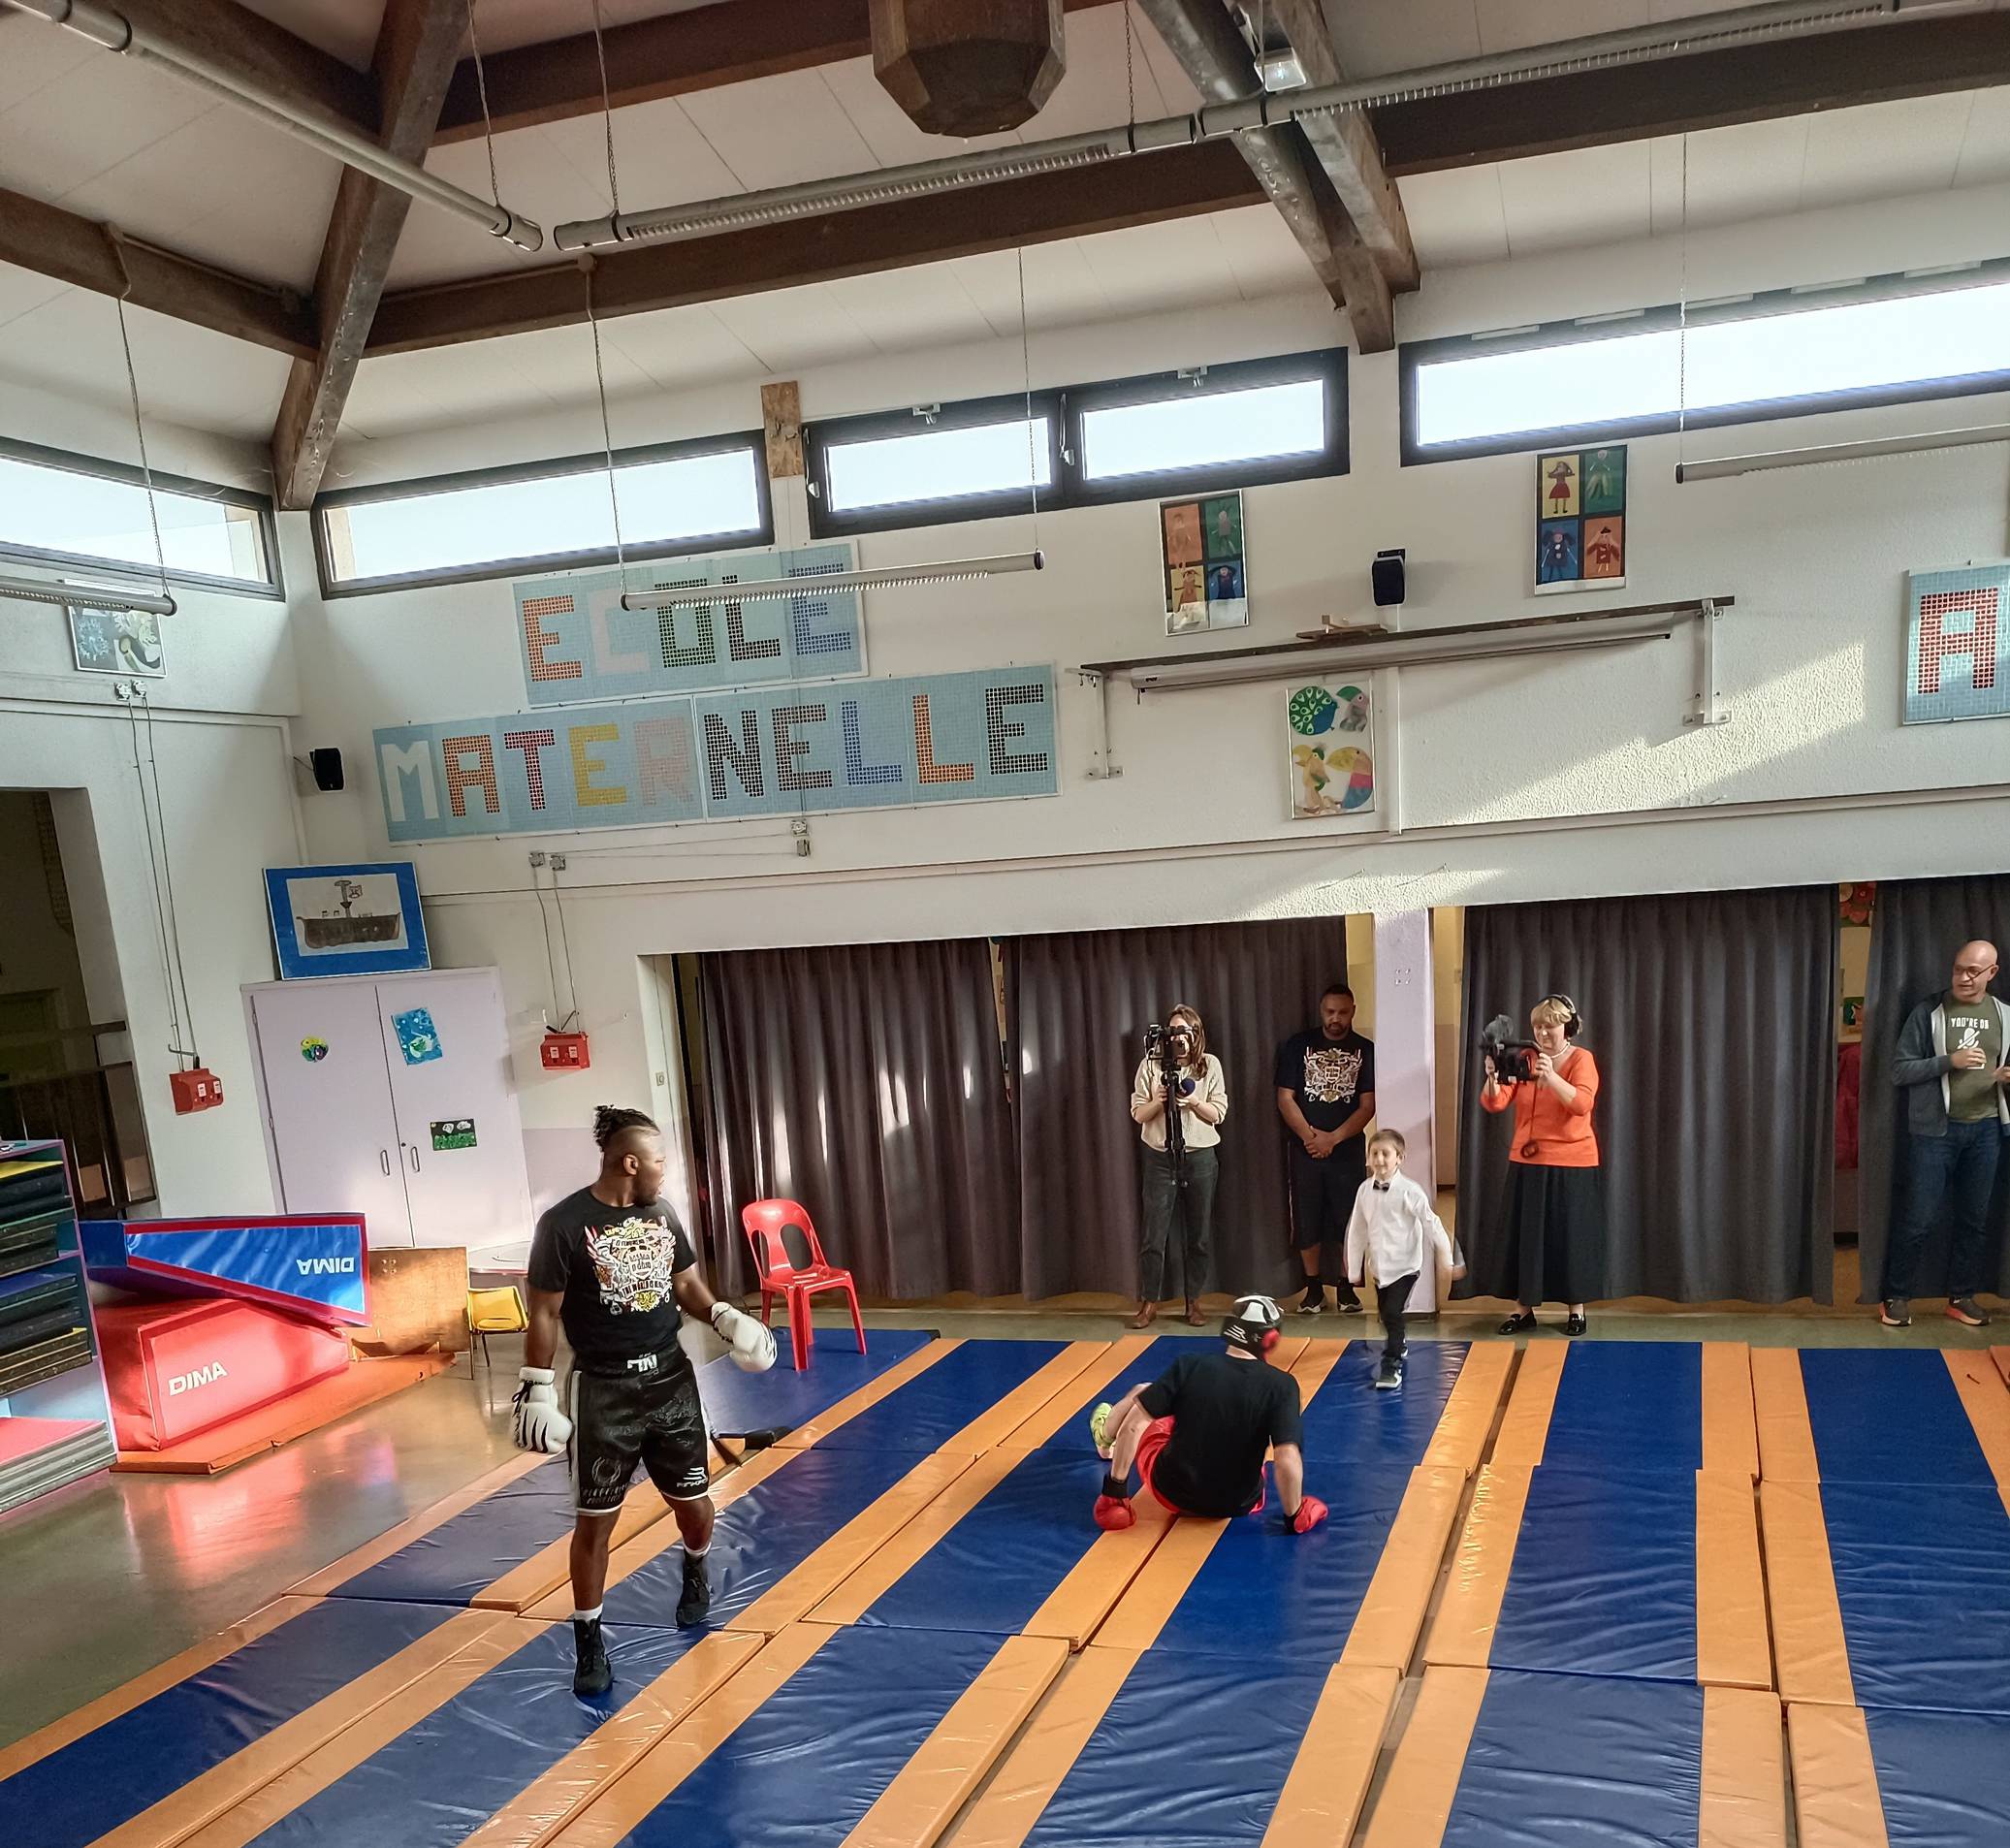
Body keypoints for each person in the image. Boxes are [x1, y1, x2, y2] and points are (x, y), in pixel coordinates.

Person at [514, 1105, 777, 1698]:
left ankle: (695, 1570)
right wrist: (536, 1382)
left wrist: (723, 1314)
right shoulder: (562, 1224)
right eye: (659, 1160)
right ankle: (589, 1641)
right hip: (602, 1390)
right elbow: (546, 1310)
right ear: (629, 1162)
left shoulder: (662, 1213)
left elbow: (684, 1282)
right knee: (594, 1523)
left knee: (694, 1505)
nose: (666, 1170)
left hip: (671, 1382)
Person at [1088, 1293, 1325, 1535]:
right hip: (1240, 1503)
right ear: (1271, 1338)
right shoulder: (1283, 1385)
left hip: (1171, 1492)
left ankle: (1105, 1437)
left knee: (1144, 1392)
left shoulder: (1190, 1365)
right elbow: (1286, 1458)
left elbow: (1133, 1426)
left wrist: (1114, 1493)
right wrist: (1294, 1514)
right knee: (1254, 1432)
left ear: (1229, 1328)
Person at [1880, 939, 2010, 1329]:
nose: (1963, 978)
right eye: (1958, 969)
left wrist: (2005, 1078)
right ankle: (1896, 1297)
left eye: (1973, 971)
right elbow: (1899, 1071)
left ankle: (1961, 1296)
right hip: (1935, 1133)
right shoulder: (1929, 1012)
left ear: (1992, 973)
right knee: (1918, 1219)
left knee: (1975, 1219)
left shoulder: (2004, 1015)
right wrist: (1947, 1062)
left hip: (1986, 1129)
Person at [1482, 995, 1605, 1336]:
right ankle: (1523, 1310)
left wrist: (1551, 1077)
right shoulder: (1524, 1058)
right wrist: (1493, 1076)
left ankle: (1576, 1310)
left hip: (1573, 1161)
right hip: (1527, 1158)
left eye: (1550, 1026)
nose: (1542, 1032)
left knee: (1571, 1237)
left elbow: (1581, 1104)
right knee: (1526, 1237)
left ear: (1568, 1027)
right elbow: (1495, 1103)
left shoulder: (1581, 1059)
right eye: (1538, 1026)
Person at [1275, 984, 1376, 1316]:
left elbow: (1367, 1106)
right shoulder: (1297, 1045)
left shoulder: (1367, 1050)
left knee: (1348, 1218)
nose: (1335, 1019)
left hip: (1345, 1150)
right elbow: (1285, 1097)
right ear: (1321, 1011)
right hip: (1305, 1149)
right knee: (1307, 1218)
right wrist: (1310, 1137)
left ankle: (1346, 1287)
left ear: (1353, 1011)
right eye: (1330, 1012)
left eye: (1342, 1012)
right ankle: (1314, 1287)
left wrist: (1332, 1139)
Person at [1128, 1004, 1228, 1329]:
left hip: (1199, 1157)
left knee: (1197, 1234)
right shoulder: (1150, 1066)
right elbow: (1138, 1114)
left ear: (1195, 1033)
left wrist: (1194, 1103)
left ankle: (1193, 1301)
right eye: (1173, 1032)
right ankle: (1149, 1302)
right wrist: (1158, 1100)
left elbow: (1219, 1113)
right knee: (1153, 1235)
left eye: (1184, 1031)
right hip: (1159, 1158)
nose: (1178, 1039)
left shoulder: (1208, 1065)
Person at [1344, 1128, 1454, 1390]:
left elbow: (1432, 1224)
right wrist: (1353, 1267)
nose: (1380, 1159)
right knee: (1385, 1313)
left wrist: (1445, 1257)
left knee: (1392, 1313)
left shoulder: (1410, 1191)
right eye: (1374, 1154)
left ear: (1399, 1158)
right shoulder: (1364, 1190)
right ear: (1368, 1158)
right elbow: (1357, 1229)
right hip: (1379, 1267)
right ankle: (1400, 1342)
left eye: (1386, 1154)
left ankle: (1391, 1364)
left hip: (1406, 1265)